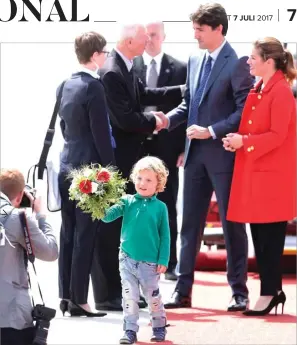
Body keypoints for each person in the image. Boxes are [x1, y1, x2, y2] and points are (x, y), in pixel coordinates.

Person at [157, 3, 255, 311]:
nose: (195, 35)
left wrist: (211, 130)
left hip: (224, 157)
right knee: (189, 226)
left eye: (200, 30)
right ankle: (182, 290)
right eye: (194, 29)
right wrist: (166, 120)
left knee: (232, 225)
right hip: (195, 157)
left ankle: (239, 292)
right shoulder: (195, 58)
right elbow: (189, 105)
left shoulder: (238, 61)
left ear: (218, 29)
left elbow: (244, 111)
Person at [92, 21, 184, 311]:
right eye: (144, 39)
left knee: (123, 226)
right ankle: (108, 295)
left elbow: (144, 94)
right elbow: (126, 118)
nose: (147, 44)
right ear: (130, 41)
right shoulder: (111, 71)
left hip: (128, 158)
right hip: (116, 162)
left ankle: (121, 290)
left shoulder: (126, 65)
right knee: (111, 226)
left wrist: (183, 89)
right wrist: (157, 121)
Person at [223, 37, 297, 316]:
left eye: (253, 57)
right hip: (257, 173)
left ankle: (270, 292)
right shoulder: (261, 88)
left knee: (269, 238)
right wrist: (237, 140)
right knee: (261, 236)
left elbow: (278, 135)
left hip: (272, 177)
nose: (248, 62)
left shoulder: (281, 92)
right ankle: (272, 290)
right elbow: (253, 128)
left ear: (269, 62)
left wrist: (246, 142)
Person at [57, 31, 115, 317]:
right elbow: (101, 134)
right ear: (95, 55)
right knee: (85, 235)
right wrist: (112, 171)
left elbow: (65, 129)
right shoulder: (94, 87)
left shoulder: (65, 84)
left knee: (67, 233)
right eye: (104, 52)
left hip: (67, 164)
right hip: (89, 173)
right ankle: (80, 298)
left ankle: (65, 297)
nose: (106, 57)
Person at [133, 20, 187, 281]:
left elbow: (188, 110)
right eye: (147, 35)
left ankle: (171, 262)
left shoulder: (180, 69)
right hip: (137, 147)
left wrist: (185, 148)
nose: (151, 39)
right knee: (136, 205)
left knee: (166, 205)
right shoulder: (133, 66)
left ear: (164, 36)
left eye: (155, 34)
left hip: (167, 147)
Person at [101, 156, 170, 344]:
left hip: (150, 263)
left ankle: (158, 326)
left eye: (149, 180)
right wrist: (98, 201)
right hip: (127, 259)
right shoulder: (127, 201)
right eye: (139, 178)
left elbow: (165, 236)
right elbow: (107, 217)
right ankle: (130, 330)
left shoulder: (161, 208)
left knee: (152, 297)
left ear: (158, 184)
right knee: (129, 297)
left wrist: (163, 260)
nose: (143, 183)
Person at [0, 169, 58, 345]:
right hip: (10, 316)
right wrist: (41, 216)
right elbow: (50, 251)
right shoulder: (16, 217)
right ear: (19, 196)